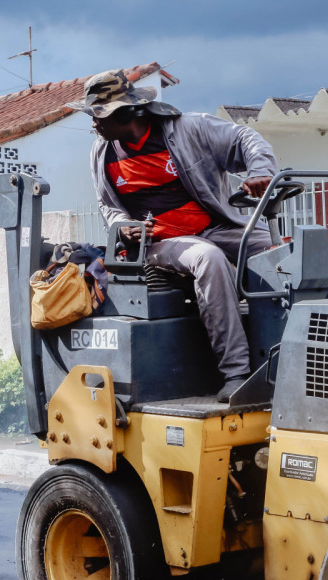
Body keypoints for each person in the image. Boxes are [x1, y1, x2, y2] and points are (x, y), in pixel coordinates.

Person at [71, 69, 278, 402]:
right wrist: (124, 226)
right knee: (206, 257)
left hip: (217, 227)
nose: (93, 124)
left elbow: (245, 139)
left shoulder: (189, 129)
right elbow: (108, 207)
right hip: (161, 244)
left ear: (125, 113)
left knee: (278, 249)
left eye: (97, 116)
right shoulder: (102, 153)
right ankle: (237, 373)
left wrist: (260, 171)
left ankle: (296, 356)